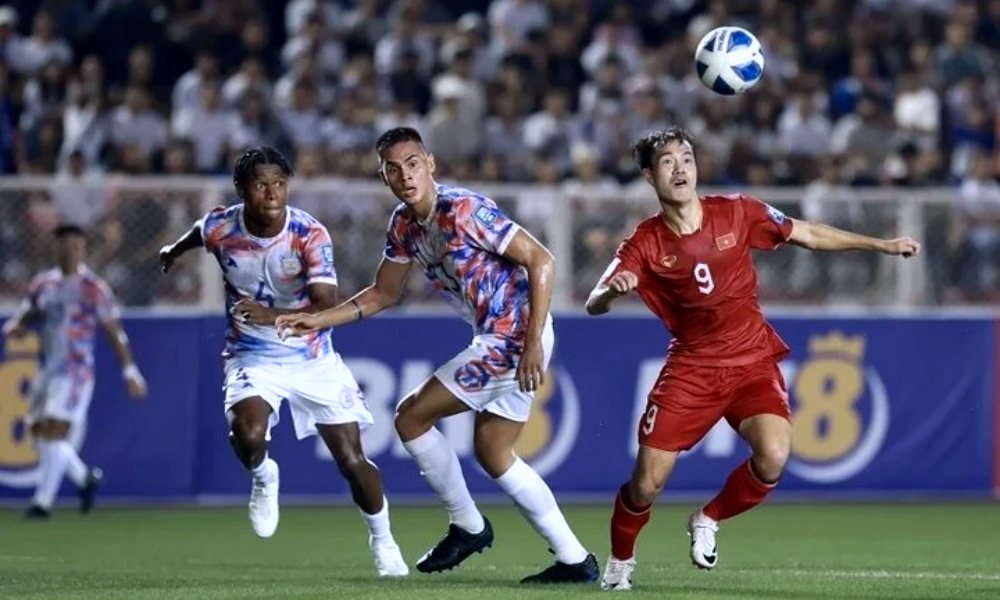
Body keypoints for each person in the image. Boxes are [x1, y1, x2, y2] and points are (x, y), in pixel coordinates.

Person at [587, 127, 920, 591]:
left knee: (773, 456)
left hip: (751, 360)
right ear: (649, 176)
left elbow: (807, 233)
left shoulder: (738, 211)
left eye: (687, 158)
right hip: (693, 369)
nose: (680, 168)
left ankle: (707, 518)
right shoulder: (644, 242)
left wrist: (879, 245)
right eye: (667, 161)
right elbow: (594, 301)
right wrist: (611, 293)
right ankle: (620, 563)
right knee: (646, 483)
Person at [275, 127, 599, 584]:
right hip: (503, 336)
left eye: (412, 163)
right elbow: (384, 293)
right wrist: (319, 320)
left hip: (513, 337)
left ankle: (467, 526)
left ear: (430, 164)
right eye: (393, 169)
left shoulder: (464, 210)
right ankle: (575, 559)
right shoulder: (403, 226)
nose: (405, 175)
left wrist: (530, 345)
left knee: (410, 417)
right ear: (384, 177)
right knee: (494, 451)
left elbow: (541, 260)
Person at [157, 146, 407, 577]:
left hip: (313, 358)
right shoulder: (222, 226)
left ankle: (383, 540)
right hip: (252, 354)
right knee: (248, 433)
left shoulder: (308, 234)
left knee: (352, 461)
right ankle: (263, 475)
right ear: (241, 189)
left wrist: (271, 315)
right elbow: (200, 230)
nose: (272, 193)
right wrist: (173, 250)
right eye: (261, 184)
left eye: (279, 183)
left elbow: (325, 302)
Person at [2, 224, 148, 518]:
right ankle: (84, 478)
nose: (70, 251)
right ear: (55, 248)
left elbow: (114, 331)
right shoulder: (44, 283)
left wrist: (130, 370)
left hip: (76, 370)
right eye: (65, 245)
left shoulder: (93, 288)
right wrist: (18, 324)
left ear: (83, 249)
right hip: (47, 368)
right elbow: (30, 311)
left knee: (54, 430)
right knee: (39, 432)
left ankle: (42, 503)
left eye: (76, 246)